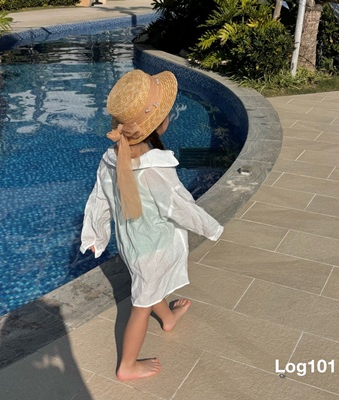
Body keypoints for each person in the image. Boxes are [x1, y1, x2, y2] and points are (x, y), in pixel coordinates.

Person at [80, 69, 224, 381]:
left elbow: (99, 199)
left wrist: (96, 234)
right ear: (159, 124)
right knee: (141, 304)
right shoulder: (155, 168)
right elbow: (179, 206)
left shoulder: (111, 157)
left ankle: (168, 318)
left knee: (148, 283)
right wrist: (212, 228)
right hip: (155, 246)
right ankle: (127, 365)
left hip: (131, 244)